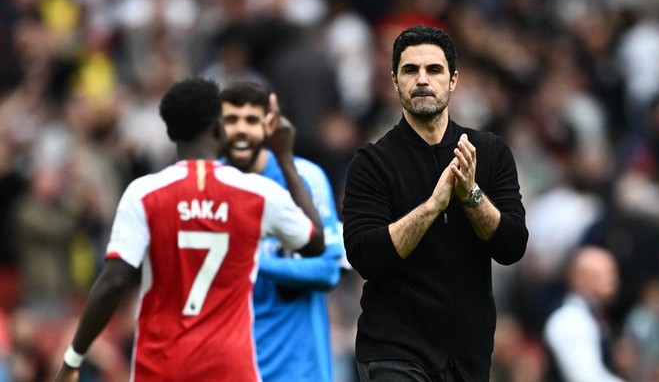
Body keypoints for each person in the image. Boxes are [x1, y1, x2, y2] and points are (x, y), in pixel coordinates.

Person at [53, 77, 325, 382]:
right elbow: (315, 243)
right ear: (218, 128)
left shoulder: (144, 193)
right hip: (230, 367)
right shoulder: (256, 193)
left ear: (171, 132)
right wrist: (285, 158)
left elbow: (114, 280)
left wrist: (73, 358)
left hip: (161, 366)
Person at [342, 24, 529, 382]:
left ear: (453, 80)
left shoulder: (488, 152)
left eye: (434, 70)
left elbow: (512, 246)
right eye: (410, 70)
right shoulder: (372, 162)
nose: (422, 80)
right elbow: (364, 255)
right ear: (394, 81)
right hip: (393, 351)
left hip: (468, 357)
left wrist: (471, 196)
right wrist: (432, 207)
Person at [219, 80, 347, 382]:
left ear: (269, 125)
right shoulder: (210, 187)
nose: (241, 130)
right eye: (231, 120)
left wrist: (250, 261)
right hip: (230, 366)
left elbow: (327, 270)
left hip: (297, 369)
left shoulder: (305, 178)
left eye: (251, 120)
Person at [543, 246, 625, 382]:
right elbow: (586, 378)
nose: (614, 280)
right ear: (581, 279)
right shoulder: (569, 321)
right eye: (607, 273)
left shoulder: (591, 316)